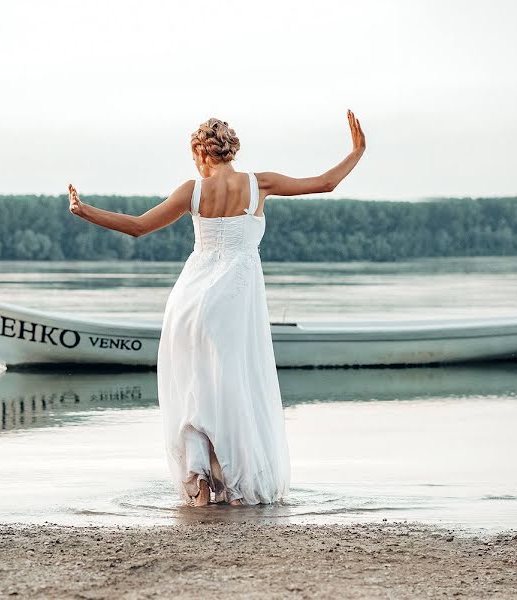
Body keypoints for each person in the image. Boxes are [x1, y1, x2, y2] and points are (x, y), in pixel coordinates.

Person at [67, 110, 366, 506]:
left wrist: (84, 210)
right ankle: (235, 484)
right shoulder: (260, 184)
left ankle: (200, 480)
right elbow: (325, 183)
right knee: (232, 389)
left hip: (188, 303)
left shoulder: (192, 190)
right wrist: (357, 151)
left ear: (201, 153)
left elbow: (137, 226)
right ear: (230, 151)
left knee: (195, 390)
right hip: (230, 304)